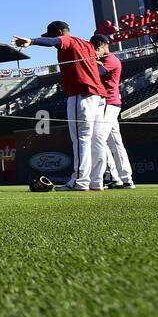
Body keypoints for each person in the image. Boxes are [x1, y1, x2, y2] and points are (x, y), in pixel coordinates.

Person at [13, 21, 107, 191]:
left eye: (51, 35)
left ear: (58, 32)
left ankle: (80, 181)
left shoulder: (68, 40)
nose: (51, 39)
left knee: (81, 139)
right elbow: (101, 70)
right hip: (98, 96)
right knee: (96, 140)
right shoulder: (86, 44)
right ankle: (96, 181)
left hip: (82, 94)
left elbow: (56, 41)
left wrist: (32, 41)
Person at [93, 34, 134, 189]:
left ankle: (114, 176)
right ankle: (125, 178)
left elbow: (97, 74)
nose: (95, 50)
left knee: (99, 138)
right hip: (107, 103)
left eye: (96, 47)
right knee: (115, 142)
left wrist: (91, 59)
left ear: (102, 45)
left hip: (109, 103)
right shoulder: (102, 59)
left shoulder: (110, 59)